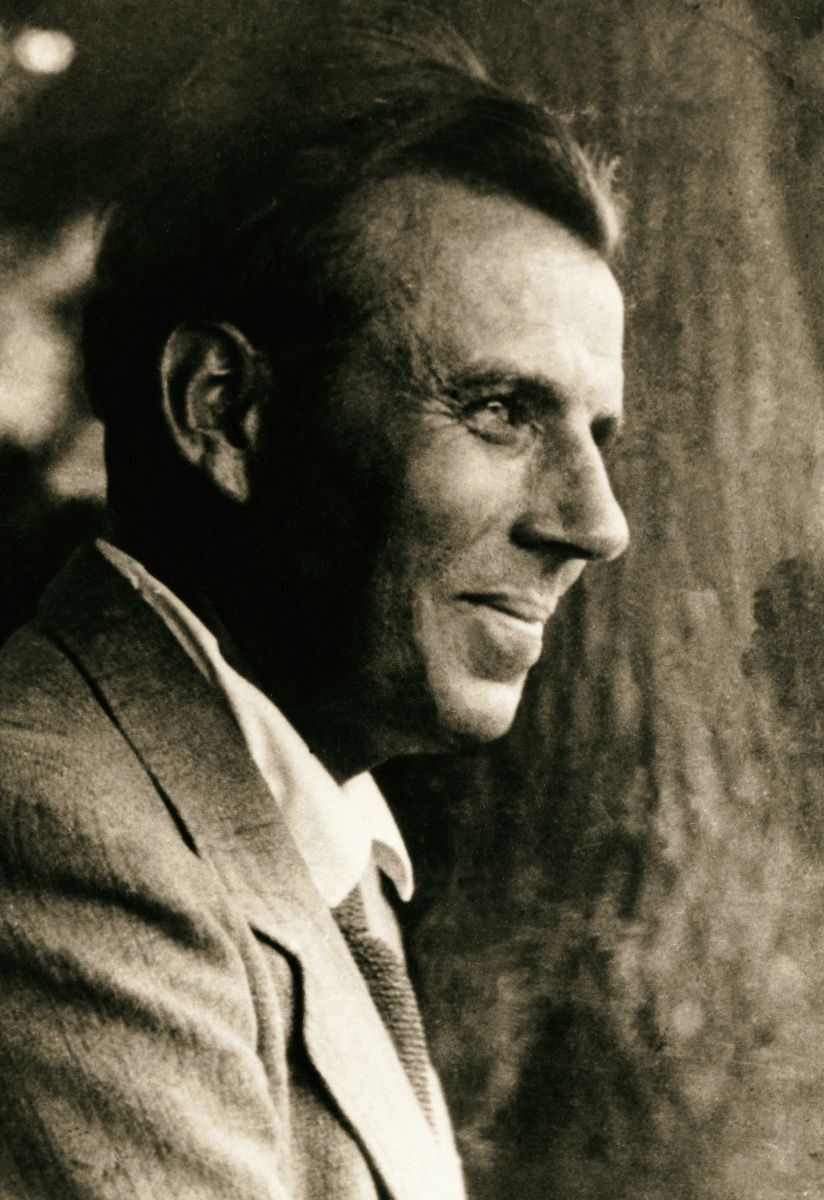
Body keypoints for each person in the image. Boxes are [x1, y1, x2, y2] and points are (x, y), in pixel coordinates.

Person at [0, 10, 629, 1198]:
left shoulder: (298, 818)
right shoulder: (58, 826)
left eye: (597, 435)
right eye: (500, 411)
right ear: (223, 409)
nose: (595, 523)